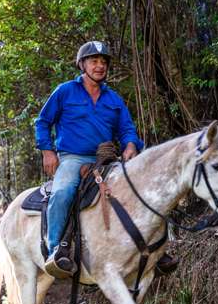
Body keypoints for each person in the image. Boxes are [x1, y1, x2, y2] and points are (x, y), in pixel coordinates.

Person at [36, 40, 176, 277]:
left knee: (141, 188)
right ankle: (55, 251)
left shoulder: (114, 99)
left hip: (107, 158)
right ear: (82, 64)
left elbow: (127, 130)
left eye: (103, 62)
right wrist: (47, 151)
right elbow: (43, 122)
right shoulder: (65, 91)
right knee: (62, 192)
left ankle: (156, 250)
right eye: (94, 61)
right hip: (73, 157)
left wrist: (131, 144)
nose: (100, 66)